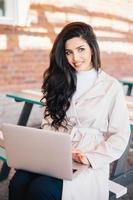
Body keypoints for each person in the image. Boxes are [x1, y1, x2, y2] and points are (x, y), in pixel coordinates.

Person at [9, 22, 130, 200]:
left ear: (92, 48)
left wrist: (90, 158)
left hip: (87, 160)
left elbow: (120, 135)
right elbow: (47, 123)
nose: (75, 58)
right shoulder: (59, 81)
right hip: (54, 155)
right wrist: (55, 147)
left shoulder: (111, 87)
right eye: (68, 52)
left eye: (81, 49)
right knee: (18, 181)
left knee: (41, 190)